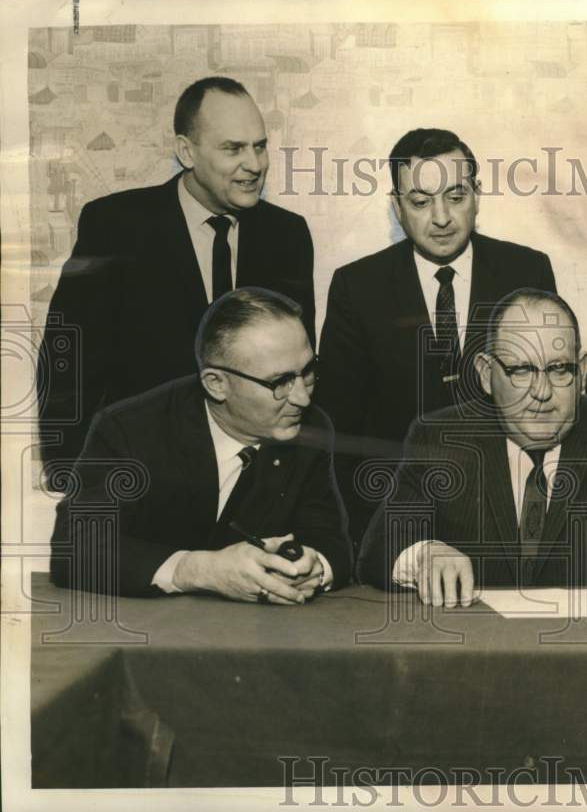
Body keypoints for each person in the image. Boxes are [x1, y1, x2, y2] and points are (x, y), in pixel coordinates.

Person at [37, 76, 315, 476]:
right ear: (187, 151)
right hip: (141, 476)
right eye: (233, 148)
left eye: (260, 146)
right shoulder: (115, 225)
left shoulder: (288, 235)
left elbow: (296, 369)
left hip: (252, 480)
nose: (254, 165)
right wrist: (69, 471)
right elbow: (69, 356)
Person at [357, 288, 587, 606]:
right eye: (521, 370)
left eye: (559, 370)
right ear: (485, 374)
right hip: (475, 654)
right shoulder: (440, 436)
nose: (541, 392)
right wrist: (425, 553)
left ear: (582, 371)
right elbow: (376, 550)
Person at [316, 128, 556, 554]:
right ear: (397, 207)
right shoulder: (357, 287)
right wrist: (367, 540)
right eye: (421, 202)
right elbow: (339, 429)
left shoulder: (527, 272)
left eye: (456, 196)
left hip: (506, 530)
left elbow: (547, 409)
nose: (441, 217)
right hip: (393, 529)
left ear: (477, 195)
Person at [49, 288, 351, 602]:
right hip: (147, 630)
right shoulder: (129, 431)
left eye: (308, 371)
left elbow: (330, 539)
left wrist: (313, 567)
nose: (303, 397)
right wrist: (200, 569)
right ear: (216, 384)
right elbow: (75, 547)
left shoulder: (309, 427)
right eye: (280, 382)